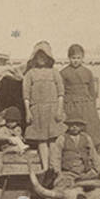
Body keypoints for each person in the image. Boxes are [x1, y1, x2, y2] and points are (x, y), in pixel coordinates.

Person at [22, 41, 65, 175]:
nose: (41, 60)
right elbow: (26, 95)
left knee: (53, 139)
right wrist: (28, 111)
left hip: (52, 109)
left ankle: (54, 166)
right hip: (37, 110)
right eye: (38, 57)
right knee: (41, 139)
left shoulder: (54, 73)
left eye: (44, 57)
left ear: (49, 58)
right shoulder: (30, 74)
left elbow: (61, 93)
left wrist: (59, 110)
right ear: (34, 58)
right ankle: (45, 167)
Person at [60, 44, 100, 161]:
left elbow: (92, 92)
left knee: (91, 129)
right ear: (69, 58)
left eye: (78, 58)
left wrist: (92, 106)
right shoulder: (64, 73)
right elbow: (61, 92)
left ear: (82, 58)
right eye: (73, 58)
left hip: (86, 105)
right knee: (72, 129)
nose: (75, 61)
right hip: (70, 105)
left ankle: (93, 158)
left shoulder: (87, 72)